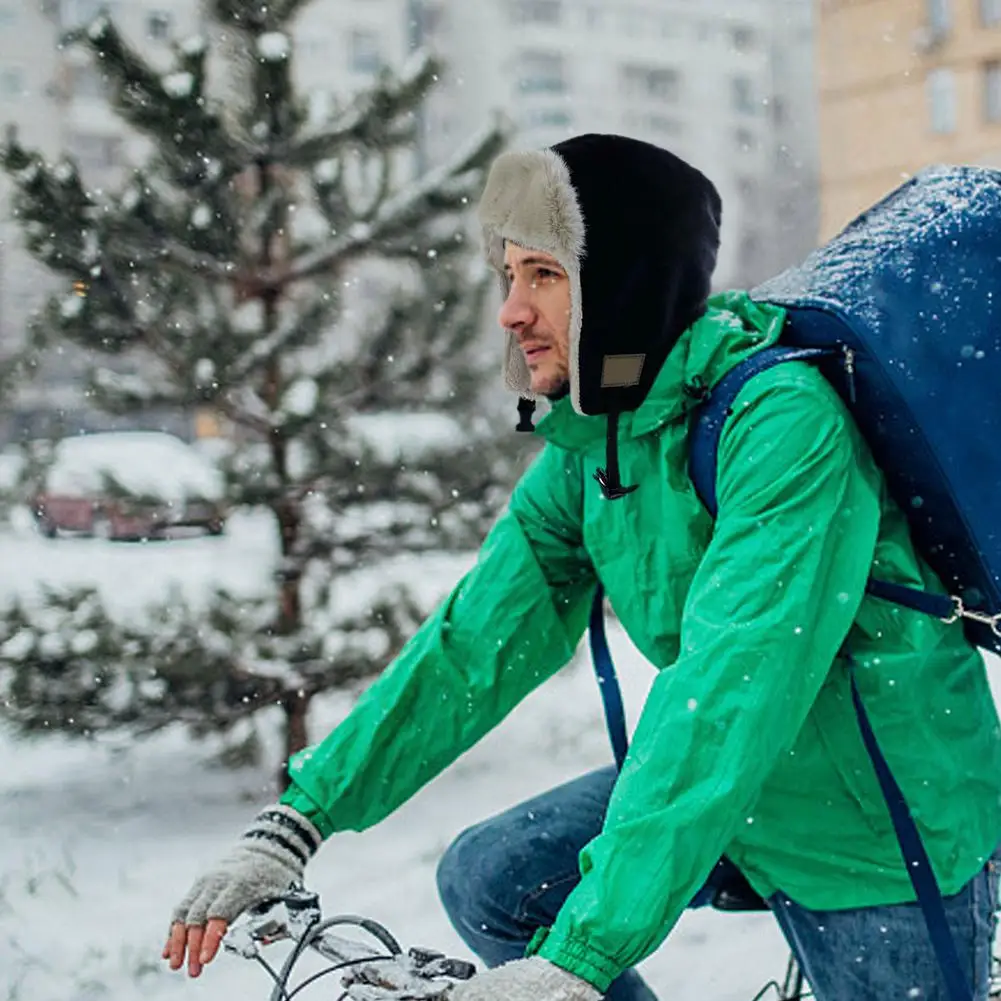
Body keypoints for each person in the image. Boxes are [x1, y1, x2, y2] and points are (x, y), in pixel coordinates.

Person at [163, 134, 1001, 1001]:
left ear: (623, 282)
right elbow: (471, 644)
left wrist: (581, 956)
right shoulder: (594, 443)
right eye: (509, 274)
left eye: (544, 275)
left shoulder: (781, 421)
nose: (509, 310)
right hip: (732, 799)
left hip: (876, 833)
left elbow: (730, 685)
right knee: (492, 880)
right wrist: (299, 818)